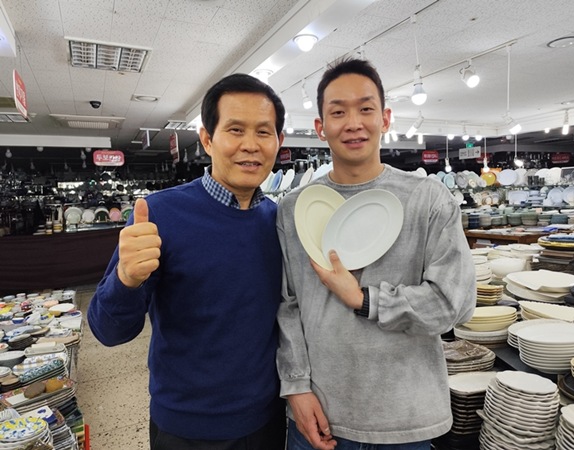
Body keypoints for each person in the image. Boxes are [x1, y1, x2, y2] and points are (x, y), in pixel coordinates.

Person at [276, 57, 476, 450]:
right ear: (320, 127)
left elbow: (455, 303)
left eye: (366, 109)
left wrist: (365, 299)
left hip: (406, 419)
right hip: (320, 416)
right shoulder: (295, 209)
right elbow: (288, 305)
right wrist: (295, 387)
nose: (353, 123)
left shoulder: (427, 199)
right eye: (338, 112)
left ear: (385, 119)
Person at [87, 73, 287, 450]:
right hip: (186, 428)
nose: (250, 145)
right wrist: (125, 279)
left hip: (268, 420)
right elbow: (108, 331)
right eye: (235, 130)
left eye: (264, 132)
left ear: (279, 141)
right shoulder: (159, 215)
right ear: (207, 139)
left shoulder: (279, 222)